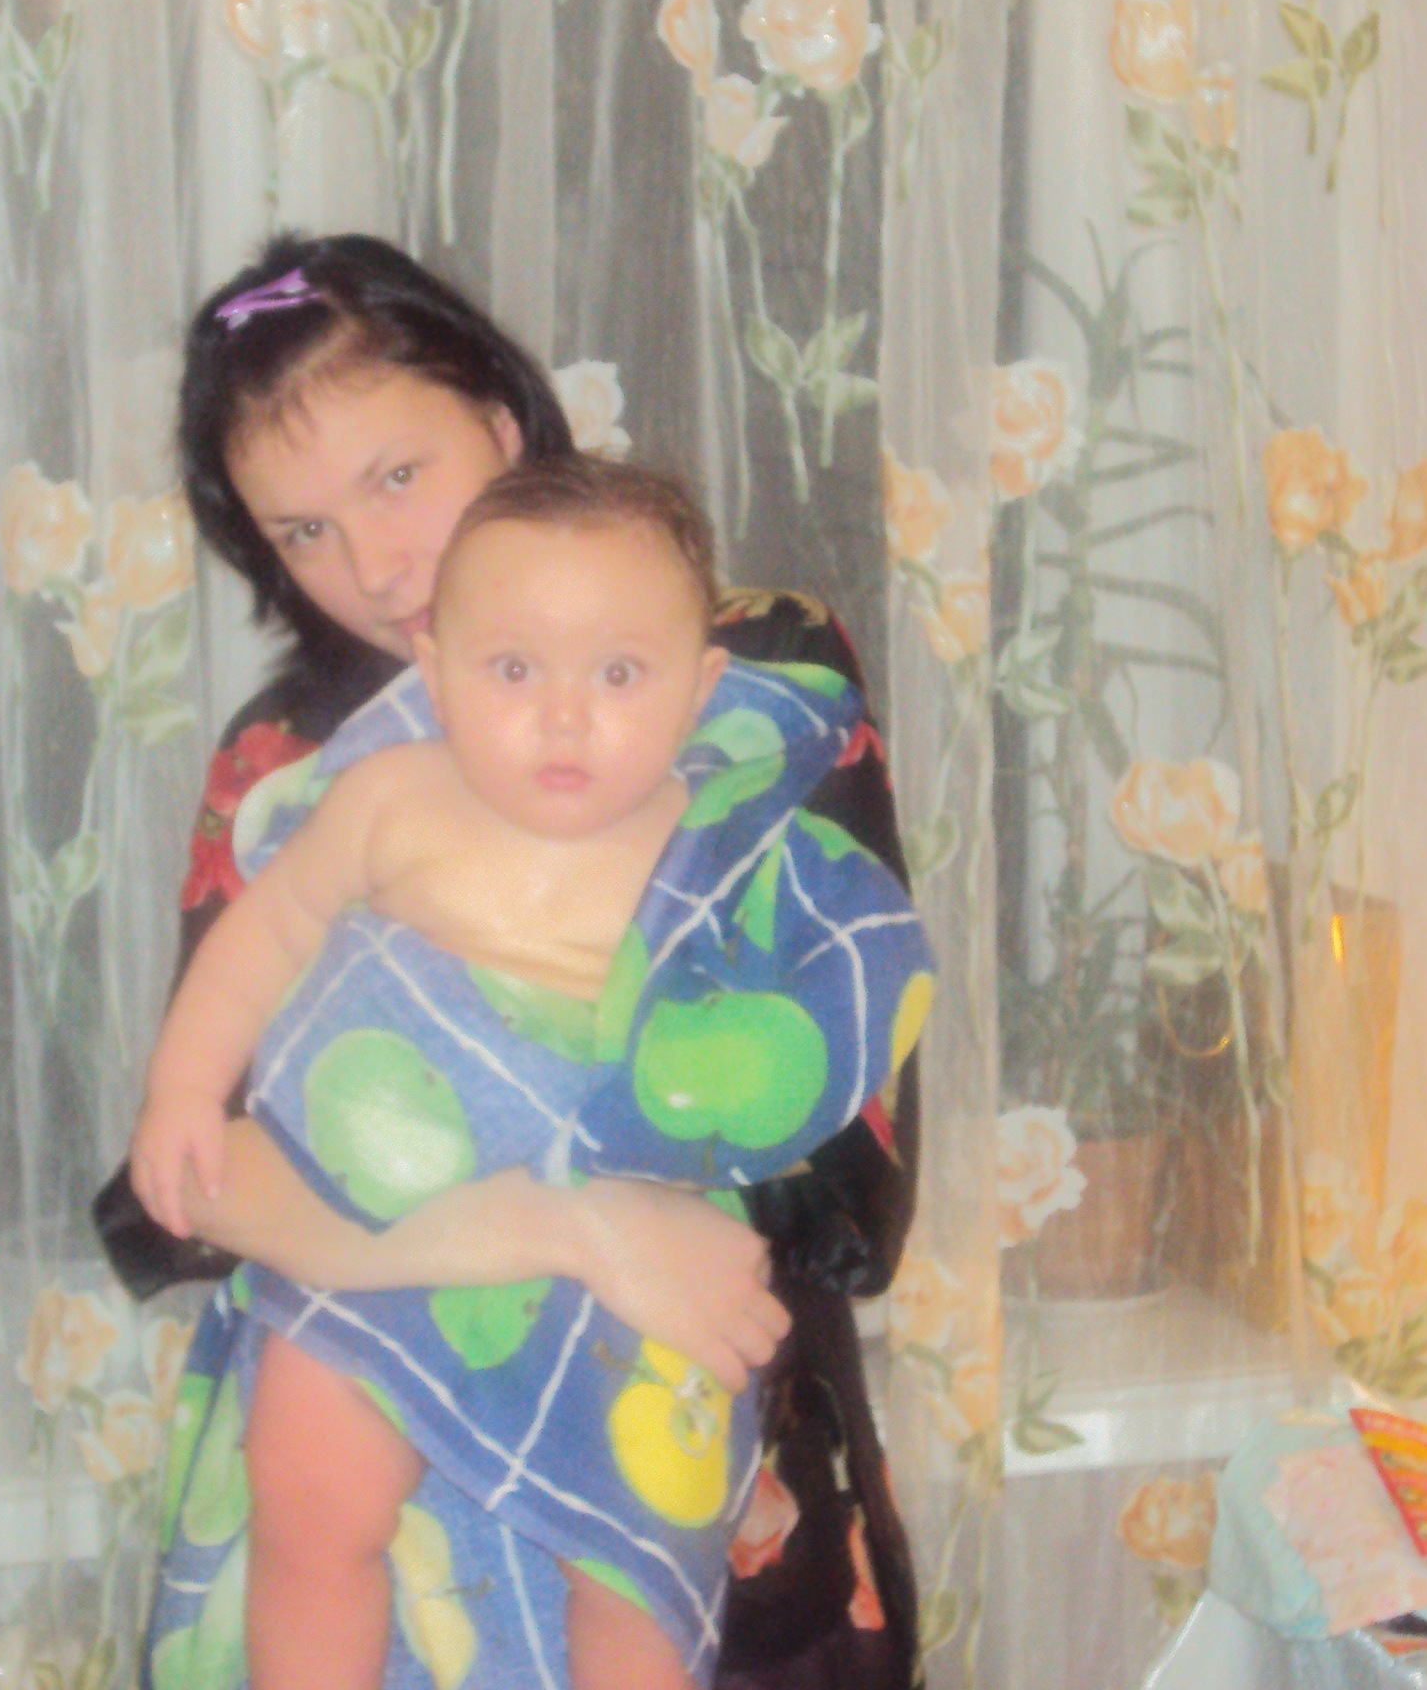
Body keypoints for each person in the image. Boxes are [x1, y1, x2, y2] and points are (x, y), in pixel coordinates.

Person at [99, 233, 920, 1690]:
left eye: (395, 477)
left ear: (497, 417)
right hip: (378, 1488)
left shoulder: (749, 688)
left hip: (695, 1483)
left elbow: (844, 1190)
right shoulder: (290, 768)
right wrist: (574, 1224)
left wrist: (593, 1205)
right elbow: (190, 1197)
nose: (373, 566)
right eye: (303, 530)